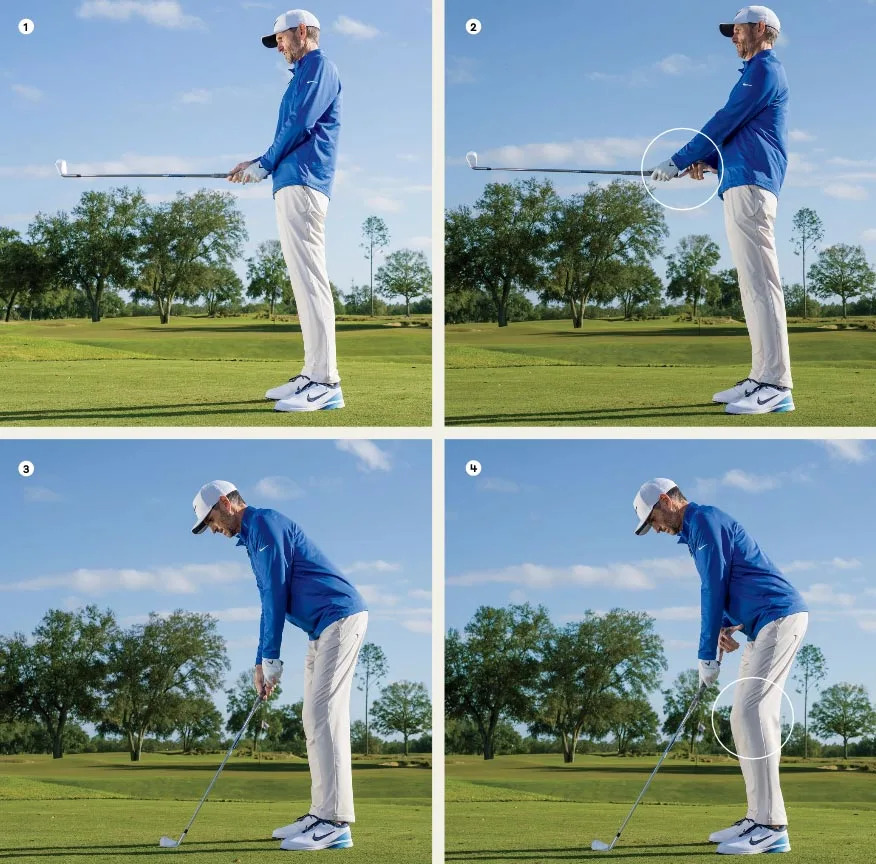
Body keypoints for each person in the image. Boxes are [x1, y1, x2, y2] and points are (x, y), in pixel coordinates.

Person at [633, 477, 808, 856]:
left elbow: (712, 586)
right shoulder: (697, 530)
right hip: (761, 624)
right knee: (740, 717)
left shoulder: (703, 521)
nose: (657, 529)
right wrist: (726, 627)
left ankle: (773, 825)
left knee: (753, 711)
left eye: (654, 519)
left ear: (667, 500)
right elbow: (730, 582)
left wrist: (705, 652)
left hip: (780, 616)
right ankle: (756, 816)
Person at [192, 480, 368, 851]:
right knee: (312, 717)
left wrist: (271, 657)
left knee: (324, 714)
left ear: (226, 503)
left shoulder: (265, 524)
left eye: (211, 521)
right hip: (319, 629)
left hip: (340, 616)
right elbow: (267, 603)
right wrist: (261, 661)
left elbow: (276, 593)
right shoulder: (254, 537)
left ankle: (336, 823)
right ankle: (320, 812)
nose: (213, 530)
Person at [650, 6, 794, 416]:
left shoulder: (764, 70)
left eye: (739, 29)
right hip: (739, 182)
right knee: (751, 286)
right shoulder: (755, 73)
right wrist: (710, 162)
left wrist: (679, 159)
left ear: (761, 29)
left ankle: (777, 384)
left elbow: (725, 120)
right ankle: (760, 376)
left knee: (762, 285)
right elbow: (740, 135)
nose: (733, 36)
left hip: (752, 185)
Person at [228, 9, 344, 413]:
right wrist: (257, 161)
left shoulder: (320, 66)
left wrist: (266, 163)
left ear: (300, 32)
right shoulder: (301, 75)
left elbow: (300, 123)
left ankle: (327, 382)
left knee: (310, 279)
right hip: (290, 180)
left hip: (305, 180)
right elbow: (286, 133)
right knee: (301, 281)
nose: (277, 46)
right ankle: (312, 373)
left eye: (280, 38)